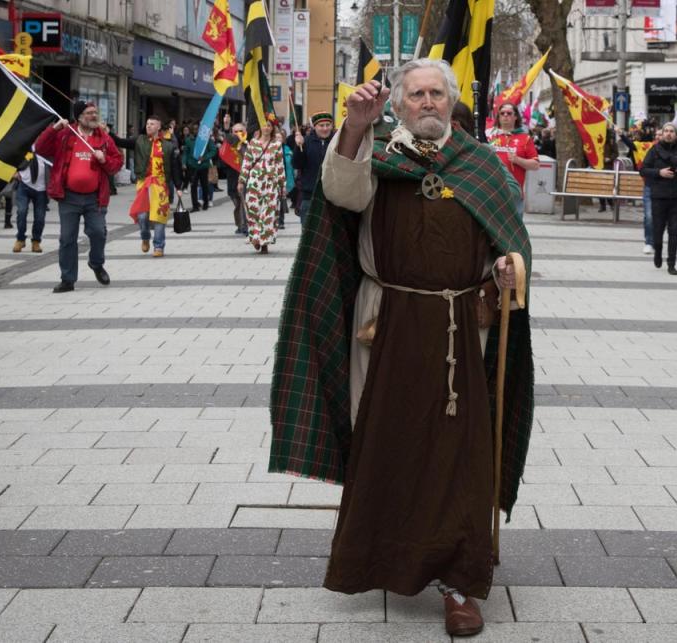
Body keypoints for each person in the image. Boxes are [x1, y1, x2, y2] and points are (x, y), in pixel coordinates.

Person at [269, 59, 533, 637]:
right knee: (387, 441)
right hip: (383, 326)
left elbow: (508, 239)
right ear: (397, 104)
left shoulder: (482, 164)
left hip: (463, 326)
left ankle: (460, 582)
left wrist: (508, 268)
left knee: (459, 452)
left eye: (438, 93)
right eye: (417, 94)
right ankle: (381, 556)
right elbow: (341, 191)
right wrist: (356, 128)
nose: (429, 102)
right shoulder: (377, 154)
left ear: (453, 101)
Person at [35, 100, 124, 293]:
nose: (94, 116)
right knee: (67, 238)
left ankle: (96, 263)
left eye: (95, 112)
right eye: (89, 113)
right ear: (79, 117)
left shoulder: (104, 138)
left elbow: (117, 163)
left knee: (98, 233)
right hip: (69, 197)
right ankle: (68, 279)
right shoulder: (66, 135)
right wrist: (54, 128)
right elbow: (40, 148)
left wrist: (104, 159)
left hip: (95, 197)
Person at [116, 115, 183, 257]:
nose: (148, 126)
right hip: (143, 184)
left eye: (152, 124)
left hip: (160, 185)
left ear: (158, 127)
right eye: (147, 123)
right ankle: (145, 237)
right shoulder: (139, 141)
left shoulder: (168, 146)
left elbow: (175, 167)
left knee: (159, 216)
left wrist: (178, 187)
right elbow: (120, 142)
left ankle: (159, 246)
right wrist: (107, 132)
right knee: (142, 216)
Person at [640, 123, 677, 275]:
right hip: (658, 195)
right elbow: (643, 170)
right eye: (666, 131)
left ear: (676, 134)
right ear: (662, 134)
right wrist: (659, 172)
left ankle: (671, 264)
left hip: (676, 196)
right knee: (658, 230)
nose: (668, 134)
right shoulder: (654, 150)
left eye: (671, 131)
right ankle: (658, 252)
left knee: (673, 231)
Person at [239, 117, 285, 254]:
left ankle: (264, 242)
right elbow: (246, 163)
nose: (266, 127)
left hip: (271, 183)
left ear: (272, 128)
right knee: (254, 211)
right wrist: (241, 181)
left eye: (269, 125)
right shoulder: (253, 144)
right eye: (264, 125)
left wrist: (282, 185)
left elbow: (280, 165)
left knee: (268, 213)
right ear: (260, 127)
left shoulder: (276, 145)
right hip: (254, 183)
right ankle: (255, 237)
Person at [489, 102, 540, 216]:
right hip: (492, 191)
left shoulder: (525, 138)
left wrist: (518, 160)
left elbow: (536, 165)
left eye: (509, 113)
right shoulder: (490, 136)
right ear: (498, 116)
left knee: (514, 231)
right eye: (502, 113)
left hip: (514, 193)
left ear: (515, 117)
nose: (505, 116)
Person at [292, 112, 335, 224]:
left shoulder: (337, 141)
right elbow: (296, 164)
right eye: (321, 125)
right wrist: (298, 147)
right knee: (308, 234)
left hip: (332, 196)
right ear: (314, 127)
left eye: (327, 125)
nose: (325, 128)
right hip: (309, 196)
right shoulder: (305, 141)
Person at [12, 151, 49, 253]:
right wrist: (14, 171)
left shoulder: (46, 148)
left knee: (40, 217)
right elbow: (12, 156)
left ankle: (36, 241)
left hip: (41, 189)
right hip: (24, 185)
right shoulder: (25, 143)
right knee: (21, 211)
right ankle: (20, 239)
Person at [221, 122, 248, 234]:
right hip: (232, 179)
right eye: (235, 131)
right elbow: (222, 163)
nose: (238, 134)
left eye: (240, 131)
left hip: (245, 180)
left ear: (245, 132)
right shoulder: (229, 145)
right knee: (237, 204)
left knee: (243, 202)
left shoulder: (248, 145)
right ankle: (240, 224)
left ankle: (245, 225)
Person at [184, 124, 216, 211]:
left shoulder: (206, 140)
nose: (195, 131)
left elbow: (213, 150)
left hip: (203, 166)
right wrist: (184, 163)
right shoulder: (188, 140)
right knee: (193, 186)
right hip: (192, 166)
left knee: (204, 185)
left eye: (197, 129)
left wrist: (205, 157)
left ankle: (205, 203)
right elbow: (185, 153)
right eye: (194, 129)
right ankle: (195, 206)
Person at [277, 130, 294, 230]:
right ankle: (275, 220)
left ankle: (281, 221)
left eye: (280, 138)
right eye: (277, 137)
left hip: (284, 177)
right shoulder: (270, 149)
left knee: (282, 200)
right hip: (274, 178)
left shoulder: (287, 149)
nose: (278, 140)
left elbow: (290, 165)